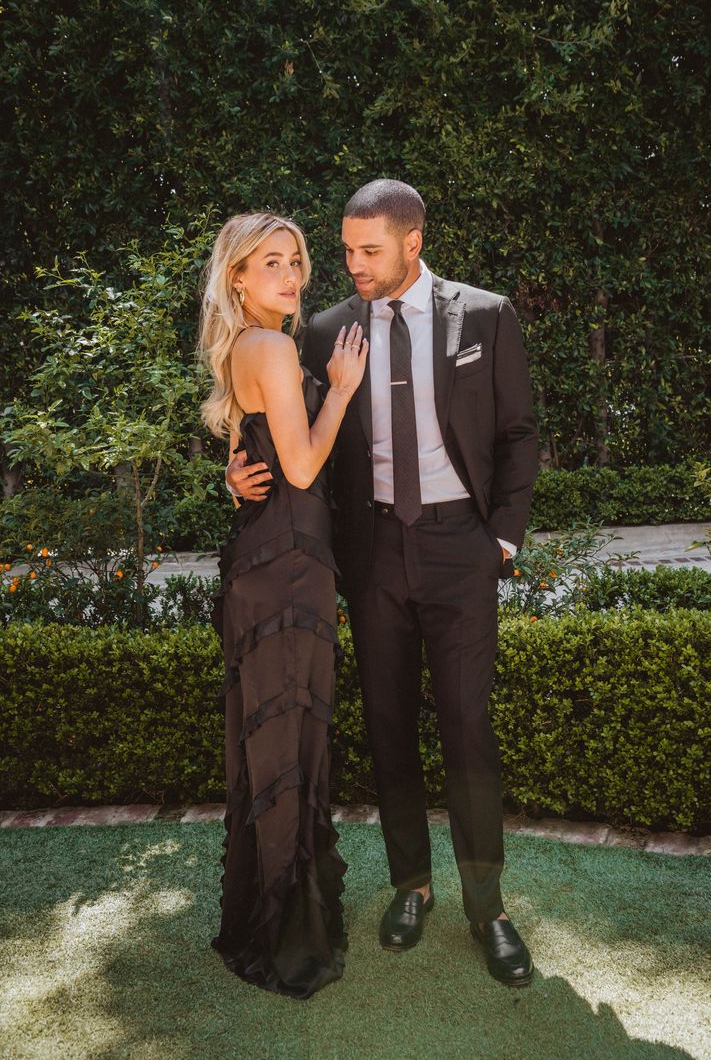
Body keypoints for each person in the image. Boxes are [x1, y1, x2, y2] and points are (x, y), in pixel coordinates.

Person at [227, 181, 539, 988]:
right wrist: (233, 474)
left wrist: (499, 539)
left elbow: (517, 434)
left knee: (467, 726)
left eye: (367, 251)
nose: (350, 266)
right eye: (344, 251)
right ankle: (411, 886)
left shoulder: (485, 315)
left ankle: (487, 906)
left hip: (458, 549)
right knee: (389, 726)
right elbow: (273, 423)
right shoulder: (328, 330)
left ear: (412, 240)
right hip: (371, 558)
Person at [198, 211, 368, 999]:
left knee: (274, 742)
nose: (291, 275)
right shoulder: (268, 346)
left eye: (295, 260)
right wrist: (338, 392)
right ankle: (286, 937)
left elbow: (254, 463)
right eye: (271, 263)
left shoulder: (252, 347)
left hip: (272, 560)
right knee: (288, 740)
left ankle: (264, 919)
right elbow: (299, 469)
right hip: (289, 567)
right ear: (236, 276)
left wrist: (231, 478)